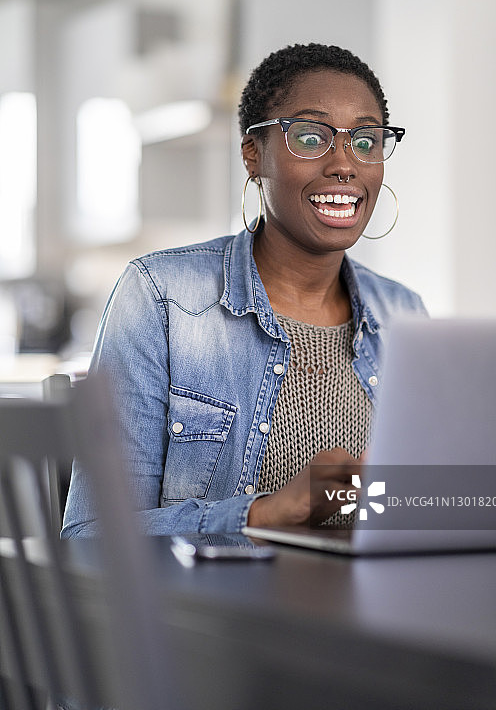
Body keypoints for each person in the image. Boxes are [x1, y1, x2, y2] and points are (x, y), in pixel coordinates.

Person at [62, 42, 426, 538]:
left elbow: (413, 511)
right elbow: (91, 535)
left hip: (369, 607)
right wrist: (265, 514)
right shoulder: (162, 297)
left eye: (365, 141)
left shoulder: (404, 313)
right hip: (214, 612)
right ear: (254, 155)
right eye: (311, 136)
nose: (345, 163)